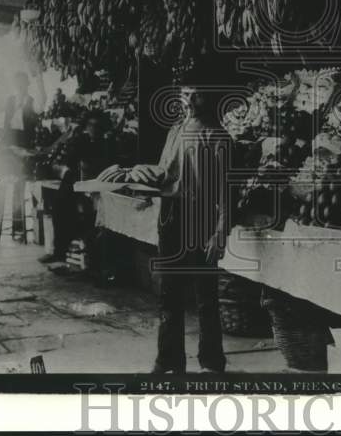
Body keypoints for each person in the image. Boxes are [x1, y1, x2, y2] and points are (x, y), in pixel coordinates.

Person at [128, 77, 231, 374]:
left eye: (198, 95)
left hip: (202, 219)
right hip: (171, 217)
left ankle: (212, 362)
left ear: (207, 99)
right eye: (187, 94)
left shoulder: (218, 137)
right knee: (169, 294)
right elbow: (164, 172)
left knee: (206, 297)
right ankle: (169, 359)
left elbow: (226, 193)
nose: (192, 100)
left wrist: (219, 234)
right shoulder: (174, 131)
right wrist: (139, 178)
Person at [39, 110, 118, 265]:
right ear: (86, 126)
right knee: (60, 207)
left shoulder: (107, 143)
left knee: (90, 216)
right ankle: (59, 252)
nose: (94, 129)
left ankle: (89, 257)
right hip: (76, 183)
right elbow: (69, 161)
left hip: (98, 185)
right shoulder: (80, 140)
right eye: (91, 125)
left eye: (97, 126)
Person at [0, 72, 37, 242]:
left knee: (18, 189)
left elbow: (31, 130)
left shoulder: (32, 103)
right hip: (6, 151)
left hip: (23, 153)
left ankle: (18, 229)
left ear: (27, 84)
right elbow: (6, 128)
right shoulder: (10, 101)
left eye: (22, 84)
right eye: (17, 84)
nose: (19, 86)